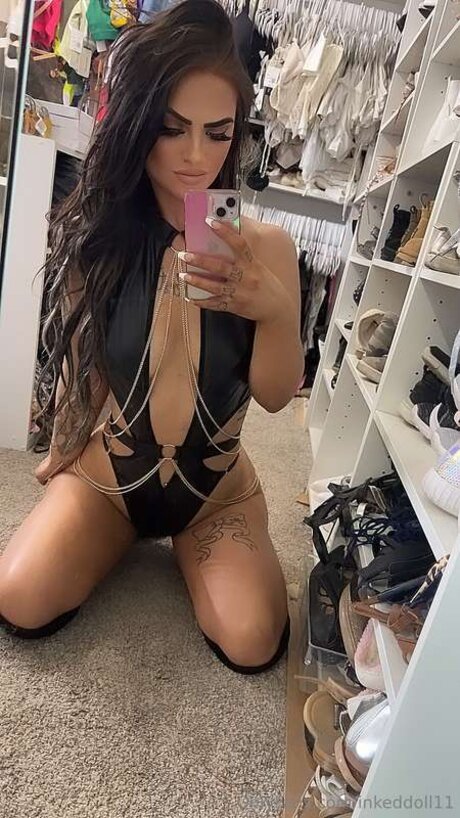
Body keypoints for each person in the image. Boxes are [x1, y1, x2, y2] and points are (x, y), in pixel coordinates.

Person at [0, 0, 304, 675]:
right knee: (18, 596)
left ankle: (187, 546)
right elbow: (85, 367)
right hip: (109, 478)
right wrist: (63, 447)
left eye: (218, 133)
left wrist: (276, 311)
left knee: (253, 638)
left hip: (214, 491)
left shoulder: (267, 248)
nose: (197, 156)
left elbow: (276, 398)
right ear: (138, 124)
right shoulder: (97, 236)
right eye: (172, 129)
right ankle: (112, 534)